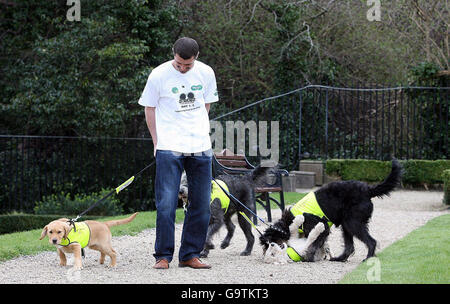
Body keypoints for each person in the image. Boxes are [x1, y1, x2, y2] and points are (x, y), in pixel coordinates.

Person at [138, 37, 219, 269]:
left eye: (188, 65)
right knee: (166, 204)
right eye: (179, 64)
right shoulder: (158, 74)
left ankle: (190, 255)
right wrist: (156, 142)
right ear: (173, 54)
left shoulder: (206, 72)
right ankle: (163, 256)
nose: (183, 68)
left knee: (202, 204)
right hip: (169, 146)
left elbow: (206, 105)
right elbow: (149, 108)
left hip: (200, 147)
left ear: (197, 57)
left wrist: (199, 130)